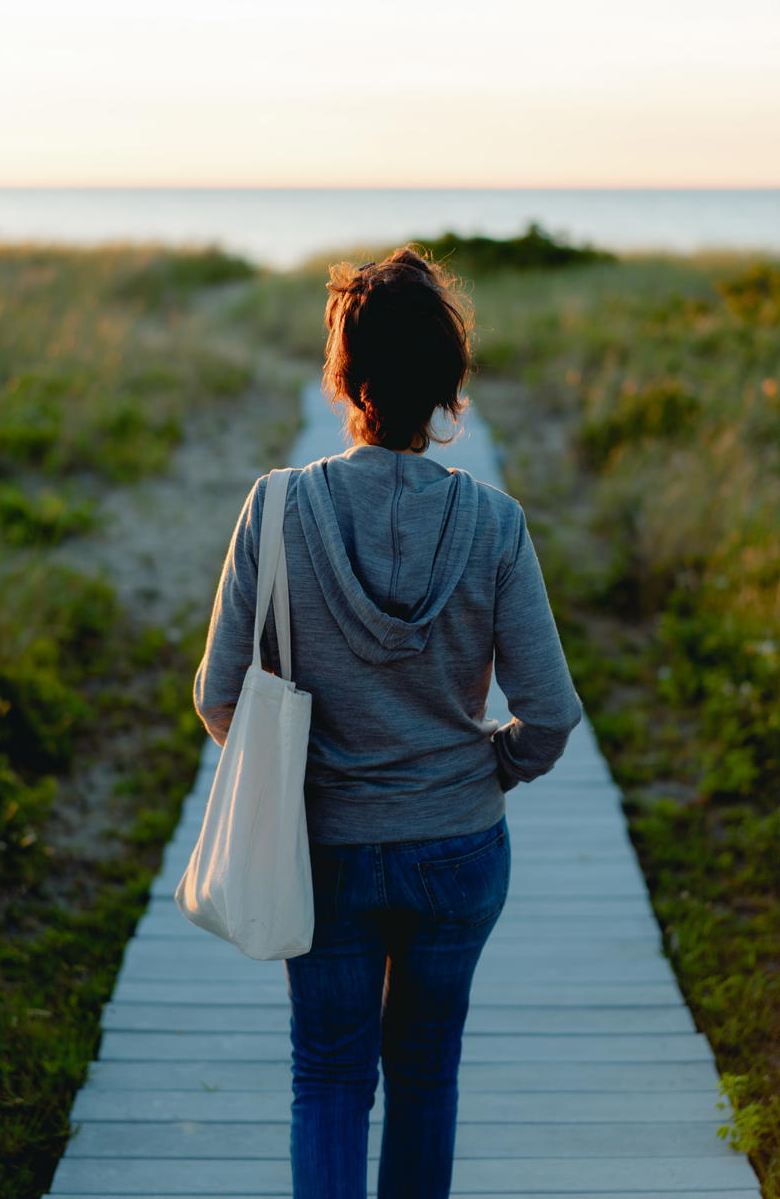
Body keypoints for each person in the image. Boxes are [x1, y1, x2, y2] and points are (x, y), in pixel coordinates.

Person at [193, 246, 583, 1199]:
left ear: (346, 376)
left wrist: (293, 777)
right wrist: (491, 765)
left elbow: (217, 695)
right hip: (456, 845)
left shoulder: (276, 507)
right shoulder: (496, 524)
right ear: (448, 386)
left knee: (328, 1076)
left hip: (321, 846)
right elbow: (551, 715)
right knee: (425, 1074)